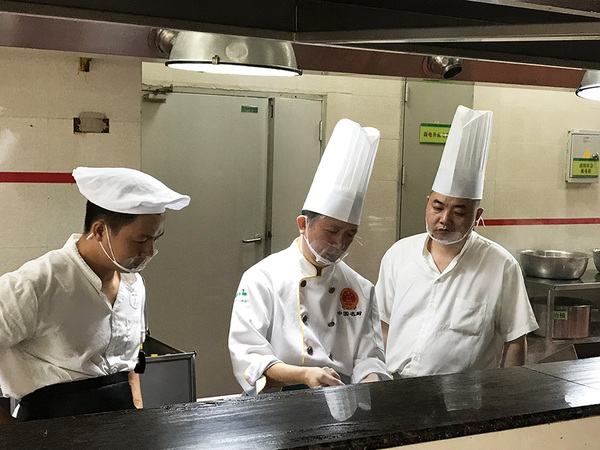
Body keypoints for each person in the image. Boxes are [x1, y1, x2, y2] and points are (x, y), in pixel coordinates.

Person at [0, 166, 190, 423]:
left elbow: (129, 362)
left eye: (155, 239)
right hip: (50, 426)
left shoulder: (133, 284)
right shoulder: (37, 283)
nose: (149, 251)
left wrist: (137, 413)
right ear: (100, 231)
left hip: (121, 424)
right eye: (140, 240)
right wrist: (12, 433)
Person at [229, 119, 391, 395]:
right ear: (303, 224)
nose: (340, 243)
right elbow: (249, 355)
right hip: (277, 401)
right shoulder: (262, 278)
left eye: (350, 234)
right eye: (332, 231)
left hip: (342, 397)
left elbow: (370, 356)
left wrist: (369, 386)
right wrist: (304, 375)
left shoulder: (361, 288)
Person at [376, 106, 538, 379]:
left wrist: (507, 394)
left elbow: (515, 340)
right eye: (437, 207)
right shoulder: (398, 255)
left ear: (477, 216)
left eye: (459, 212)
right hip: (395, 387)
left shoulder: (500, 266)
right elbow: (383, 324)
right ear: (427, 204)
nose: (444, 220)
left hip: (465, 394)